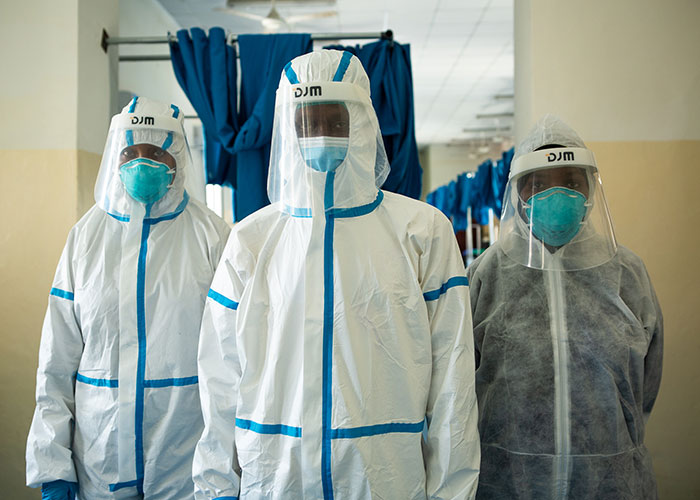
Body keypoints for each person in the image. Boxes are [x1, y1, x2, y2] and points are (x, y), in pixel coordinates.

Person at [192, 49, 480, 500]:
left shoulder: (421, 232)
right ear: (288, 129)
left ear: (361, 124)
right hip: (277, 478)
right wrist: (216, 486)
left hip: (385, 480)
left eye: (334, 121)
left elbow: (453, 381)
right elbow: (219, 377)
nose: (319, 135)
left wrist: (452, 491)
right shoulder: (252, 240)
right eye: (307, 123)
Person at [26, 97, 231, 499]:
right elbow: (57, 360)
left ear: (176, 159)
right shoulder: (85, 238)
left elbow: (230, 360)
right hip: (98, 454)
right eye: (131, 152)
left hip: (185, 459)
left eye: (155, 152)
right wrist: (52, 462)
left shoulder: (213, 237)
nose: (142, 163)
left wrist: (226, 466)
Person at [467, 115, 663, 499]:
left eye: (571, 182)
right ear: (517, 193)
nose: (557, 196)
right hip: (508, 482)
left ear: (590, 188)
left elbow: (646, 383)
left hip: (611, 481)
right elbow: (462, 385)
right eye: (538, 184)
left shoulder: (627, 273)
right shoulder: (485, 275)